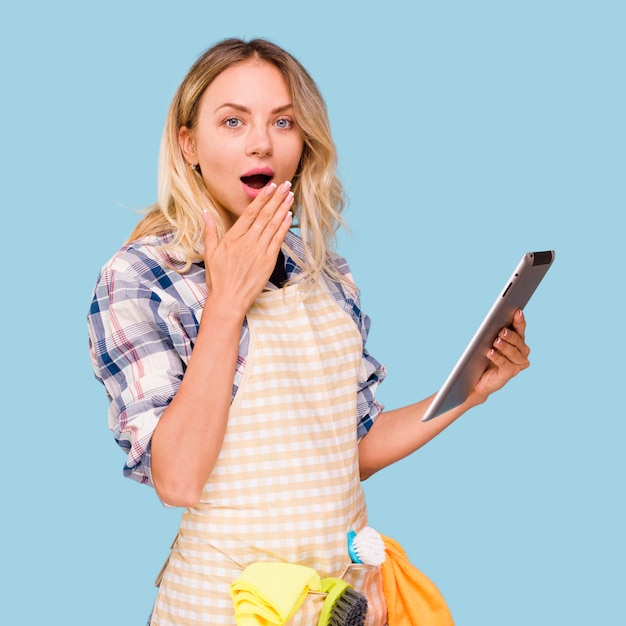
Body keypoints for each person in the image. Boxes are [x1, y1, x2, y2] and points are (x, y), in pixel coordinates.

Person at [87, 38, 530, 625]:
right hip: (228, 606)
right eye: (233, 121)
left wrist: (467, 394)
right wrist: (227, 303)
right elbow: (178, 478)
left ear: (303, 143)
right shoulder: (141, 278)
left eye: (283, 121)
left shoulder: (324, 272)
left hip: (344, 603)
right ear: (188, 144)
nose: (261, 142)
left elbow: (353, 451)